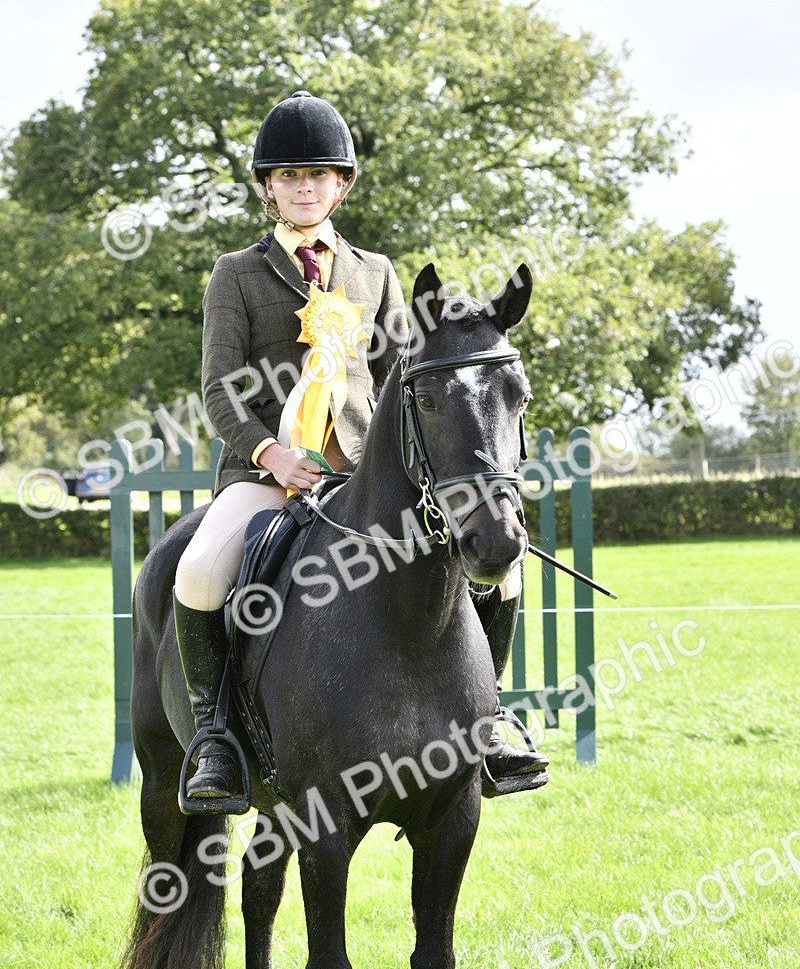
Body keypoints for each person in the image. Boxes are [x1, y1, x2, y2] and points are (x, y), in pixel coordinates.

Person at [173, 90, 548, 806]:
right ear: (267, 188)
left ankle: (491, 721)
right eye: (287, 176)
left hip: (358, 474)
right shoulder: (237, 273)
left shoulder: (374, 272)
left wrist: (420, 471)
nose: (303, 186)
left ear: (341, 185)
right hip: (267, 474)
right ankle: (216, 735)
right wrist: (269, 455)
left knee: (504, 573)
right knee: (198, 572)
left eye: (318, 174)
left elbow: (400, 382)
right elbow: (220, 389)